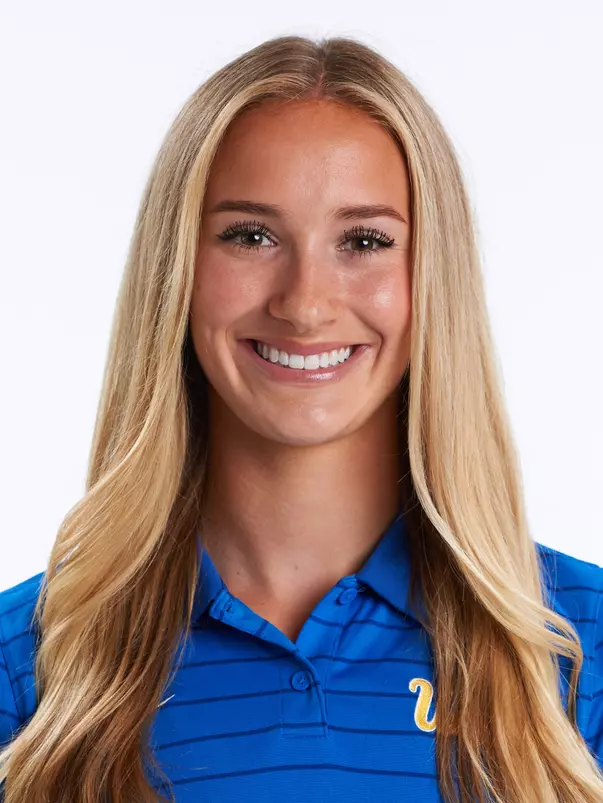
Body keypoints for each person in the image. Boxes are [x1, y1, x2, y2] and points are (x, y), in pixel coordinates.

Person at [0, 34, 601, 803]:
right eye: (250, 235)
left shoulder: (578, 647)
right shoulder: (35, 664)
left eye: (364, 241)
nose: (305, 302)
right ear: (177, 270)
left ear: (432, 279)